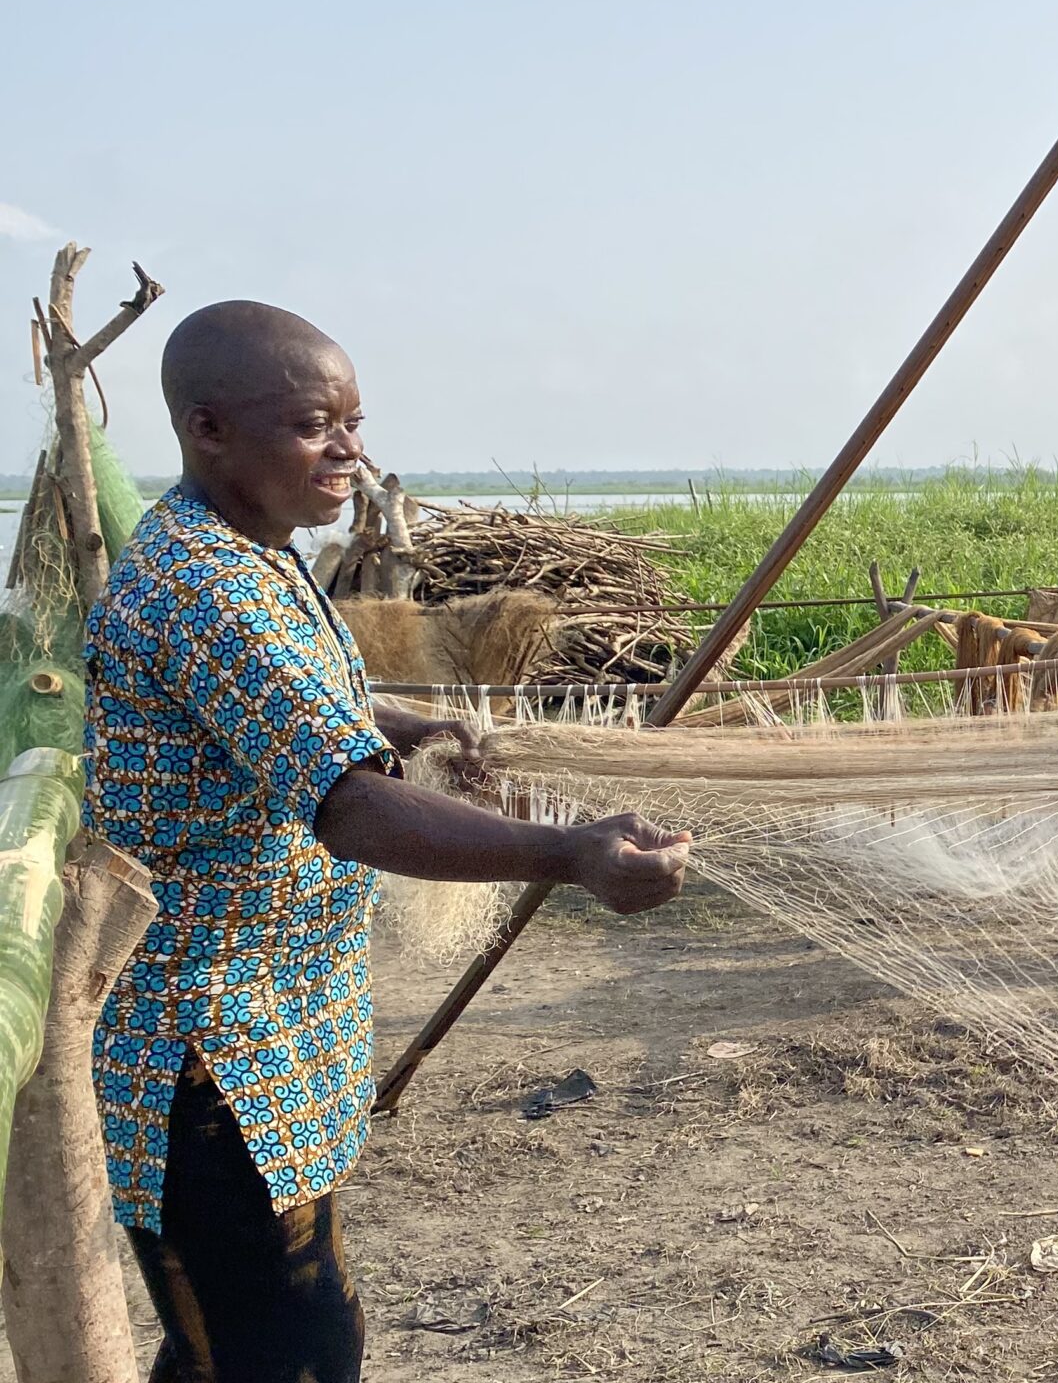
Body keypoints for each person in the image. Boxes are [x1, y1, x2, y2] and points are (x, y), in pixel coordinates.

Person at [86, 299, 693, 1383]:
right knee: (293, 1355)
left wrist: (401, 724)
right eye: (314, 425)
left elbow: (292, 706)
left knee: (239, 1350)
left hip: (266, 1023)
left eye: (353, 422)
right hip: (210, 1051)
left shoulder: (249, 552)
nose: (350, 452)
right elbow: (350, 807)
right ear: (208, 428)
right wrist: (567, 853)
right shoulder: (206, 588)